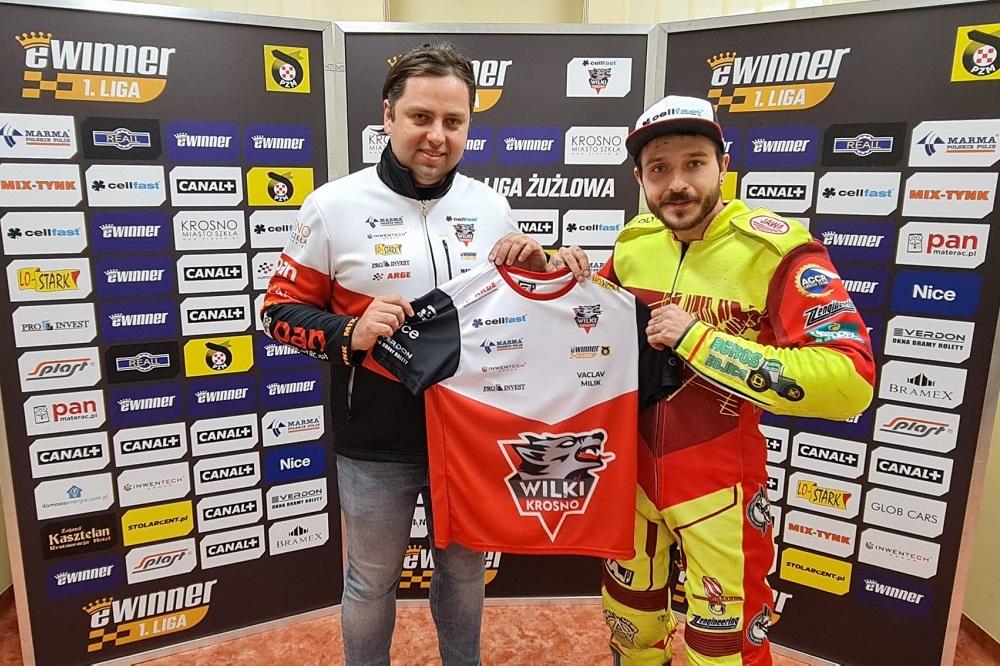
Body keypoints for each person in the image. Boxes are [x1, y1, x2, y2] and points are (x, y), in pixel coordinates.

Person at [556, 95, 876, 665]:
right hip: (631, 478)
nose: (677, 184)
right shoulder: (634, 243)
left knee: (722, 650)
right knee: (631, 628)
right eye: (659, 169)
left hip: (719, 487)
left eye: (694, 163)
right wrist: (564, 277)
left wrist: (698, 340)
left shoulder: (777, 249)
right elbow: (596, 330)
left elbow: (849, 380)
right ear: (640, 179)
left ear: (723, 165)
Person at [261, 42, 551, 665]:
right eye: (421, 117)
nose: (437, 136)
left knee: (465, 573)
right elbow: (277, 314)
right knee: (370, 582)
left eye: (454, 121)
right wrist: (350, 332)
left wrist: (541, 269)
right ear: (388, 116)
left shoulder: (490, 206)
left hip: (470, 434)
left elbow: (516, 315)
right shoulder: (333, 205)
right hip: (374, 437)